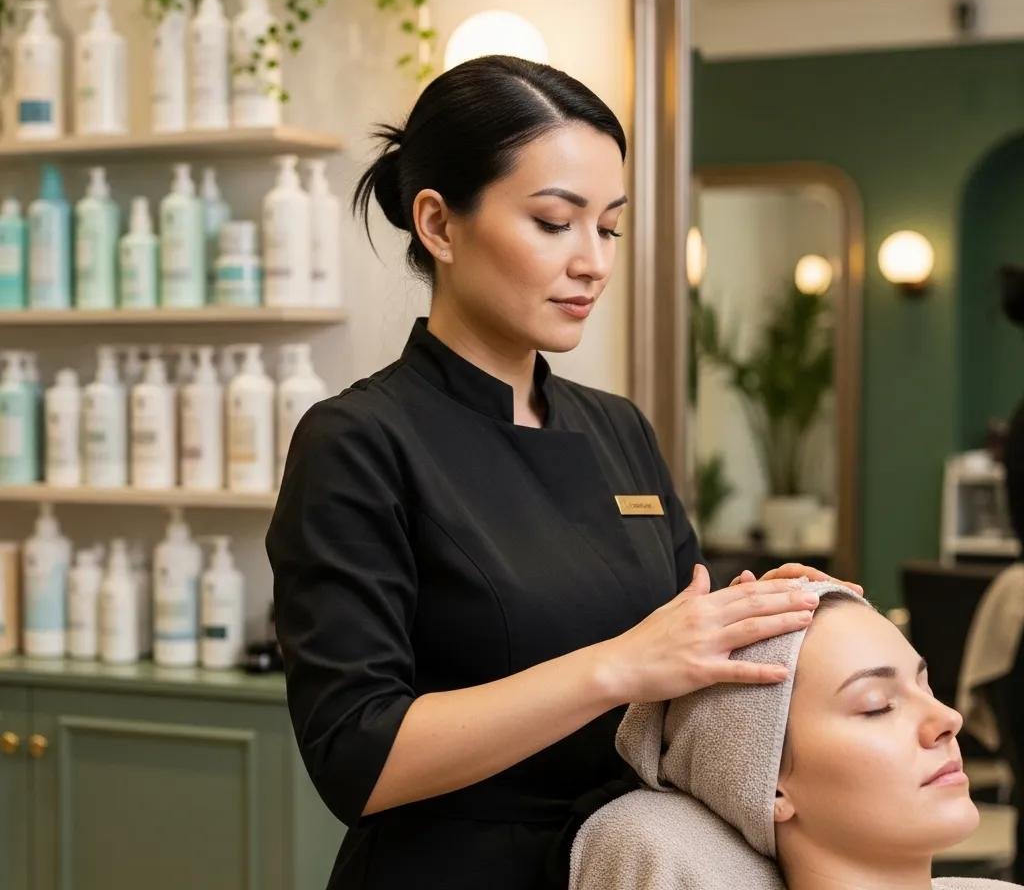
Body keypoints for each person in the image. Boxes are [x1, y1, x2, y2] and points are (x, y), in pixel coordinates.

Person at [264, 54, 862, 890]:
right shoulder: (358, 442)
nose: (594, 262)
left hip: (626, 866)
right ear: (438, 225)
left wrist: (769, 617)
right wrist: (619, 664)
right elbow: (356, 757)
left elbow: (679, 660)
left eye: (609, 227)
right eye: (555, 222)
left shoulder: (617, 428)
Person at [571, 579, 1020, 890]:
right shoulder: (646, 841)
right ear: (764, 783)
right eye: (877, 706)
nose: (947, 719)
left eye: (925, 686)